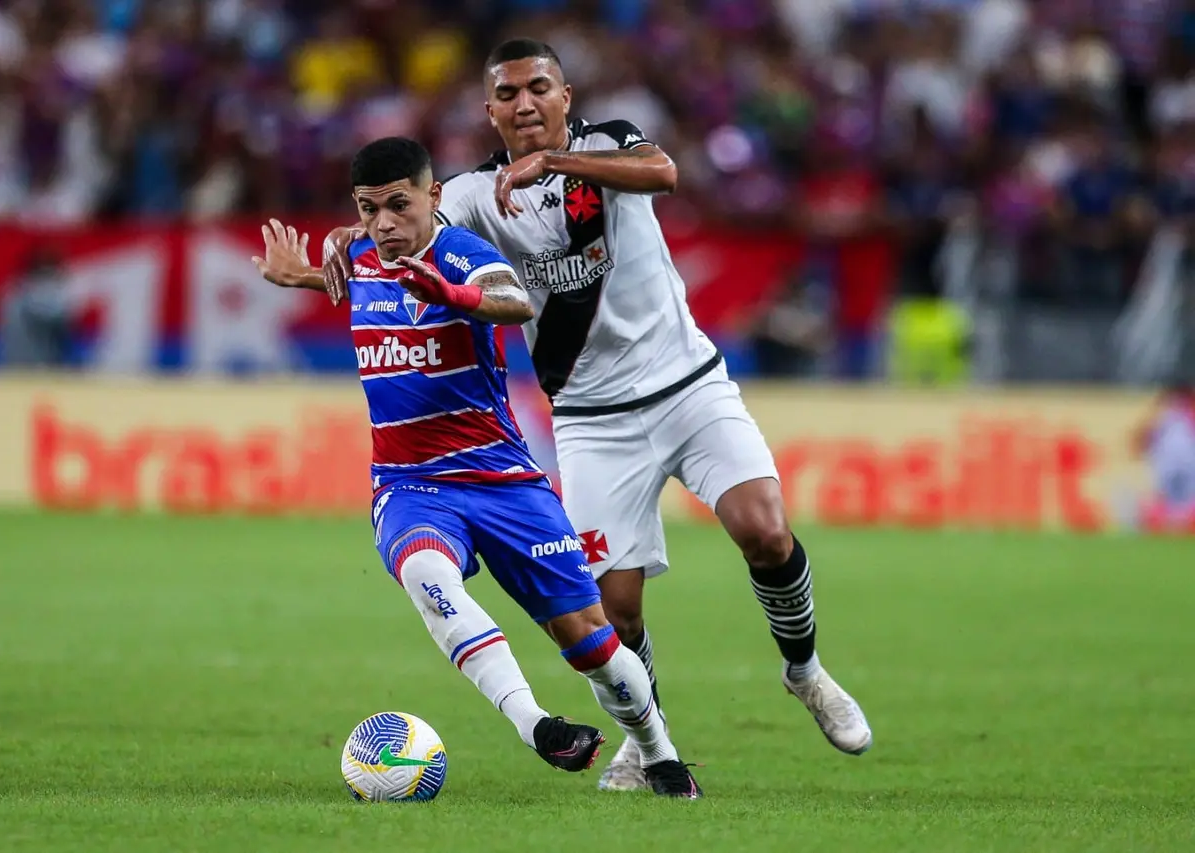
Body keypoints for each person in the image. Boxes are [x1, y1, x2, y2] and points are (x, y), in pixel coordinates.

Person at [325, 40, 872, 792]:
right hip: (589, 416)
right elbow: (404, 212)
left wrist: (555, 165)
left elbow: (665, 173)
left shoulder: (609, 146)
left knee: (764, 528)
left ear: (565, 95)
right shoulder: (476, 194)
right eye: (508, 94)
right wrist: (348, 236)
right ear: (490, 111)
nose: (524, 104)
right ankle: (648, 746)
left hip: (687, 383)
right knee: (612, 608)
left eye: (538, 88)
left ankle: (806, 671)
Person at [252, 136, 701, 798]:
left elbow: (512, 300)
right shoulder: (365, 261)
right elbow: (373, 277)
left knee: (590, 642)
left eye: (398, 205)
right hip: (410, 486)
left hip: (501, 480)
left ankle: (659, 751)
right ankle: (537, 725)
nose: (382, 223)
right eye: (368, 209)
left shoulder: (463, 254)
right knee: (428, 575)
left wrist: (453, 294)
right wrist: (306, 276)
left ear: (433, 197)